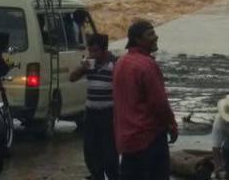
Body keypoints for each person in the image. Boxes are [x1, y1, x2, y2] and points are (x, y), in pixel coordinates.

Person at [114, 20, 178, 180]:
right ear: (137, 40)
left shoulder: (121, 63)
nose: (156, 37)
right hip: (149, 138)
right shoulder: (147, 65)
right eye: (150, 34)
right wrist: (172, 124)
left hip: (127, 140)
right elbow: (160, 103)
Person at [69, 33, 118, 180]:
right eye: (90, 50)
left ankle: (113, 176)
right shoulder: (89, 63)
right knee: (90, 150)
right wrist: (82, 67)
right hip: (91, 113)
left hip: (108, 113)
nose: (92, 54)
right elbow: (72, 78)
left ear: (104, 50)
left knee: (110, 152)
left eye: (95, 50)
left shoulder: (115, 64)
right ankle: (97, 176)